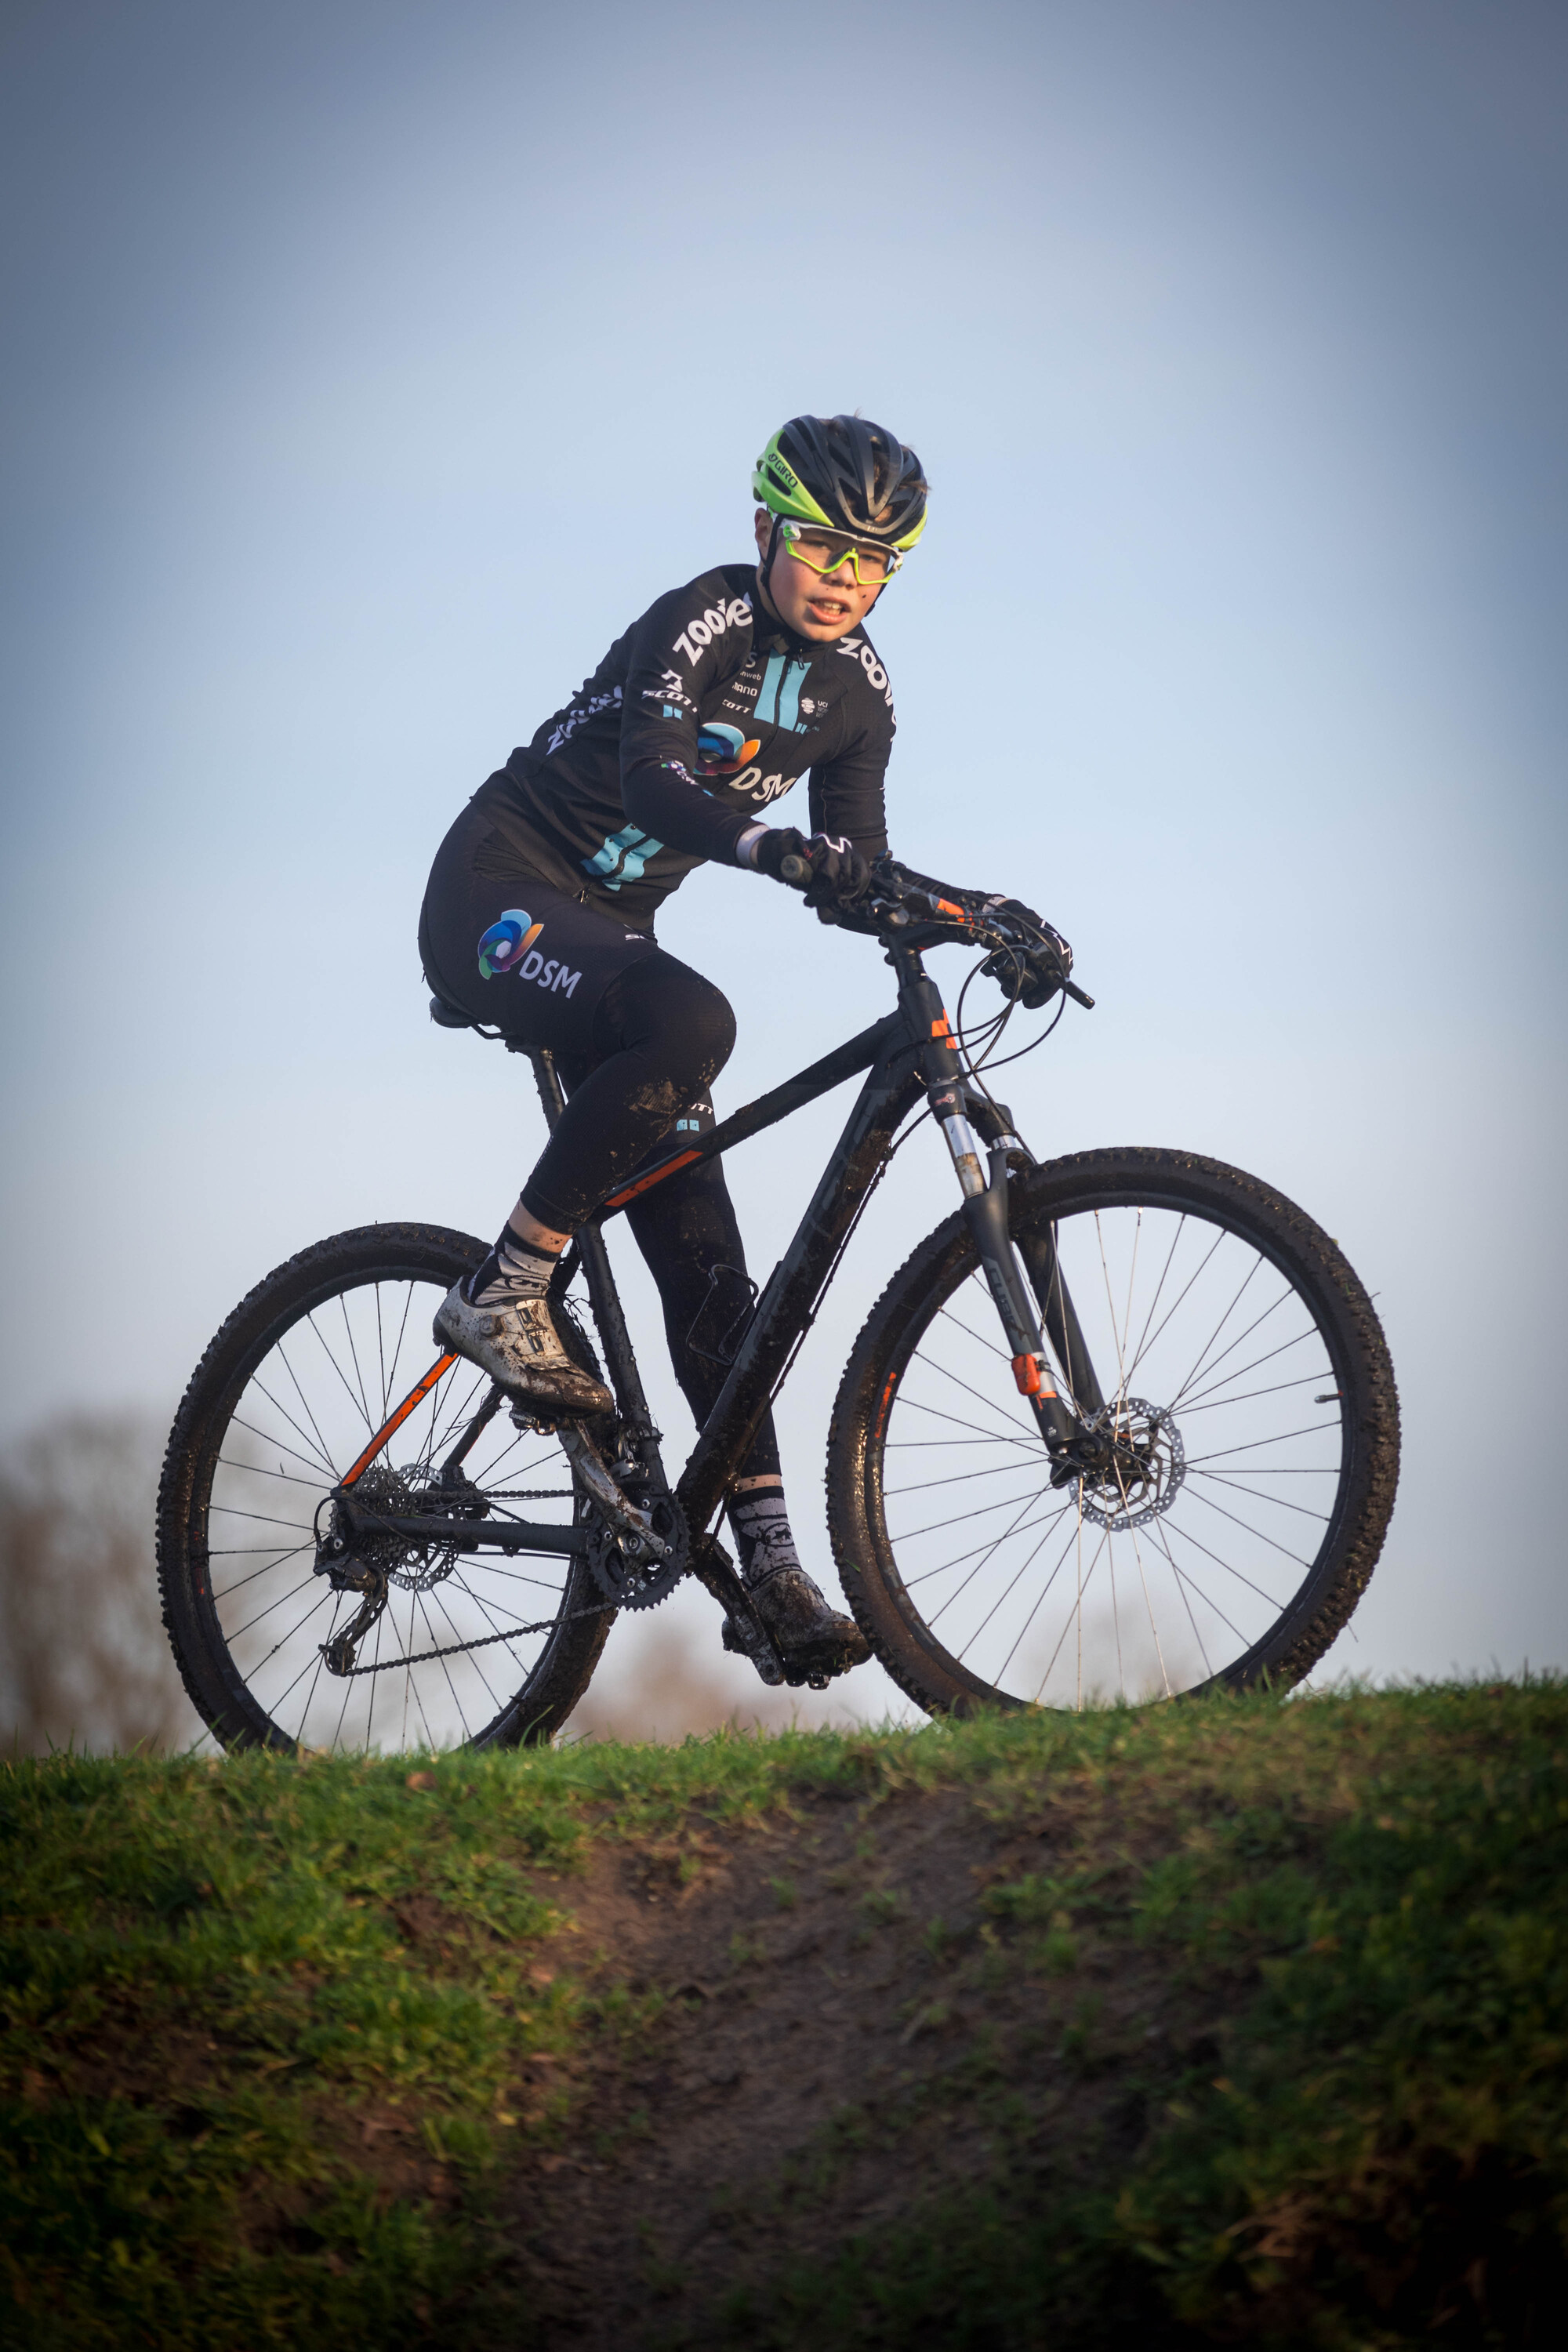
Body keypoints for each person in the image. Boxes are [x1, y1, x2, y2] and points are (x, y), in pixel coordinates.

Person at [418, 412, 928, 1681]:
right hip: (498, 889)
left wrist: (973, 911)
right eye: (821, 543)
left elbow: (852, 868)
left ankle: (769, 1571)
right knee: (696, 1023)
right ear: (765, 528)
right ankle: (505, 1289)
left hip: (609, 947)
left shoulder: (858, 694)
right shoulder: (699, 616)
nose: (844, 575)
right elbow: (653, 784)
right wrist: (767, 848)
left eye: (876, 560)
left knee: (711, 1267)